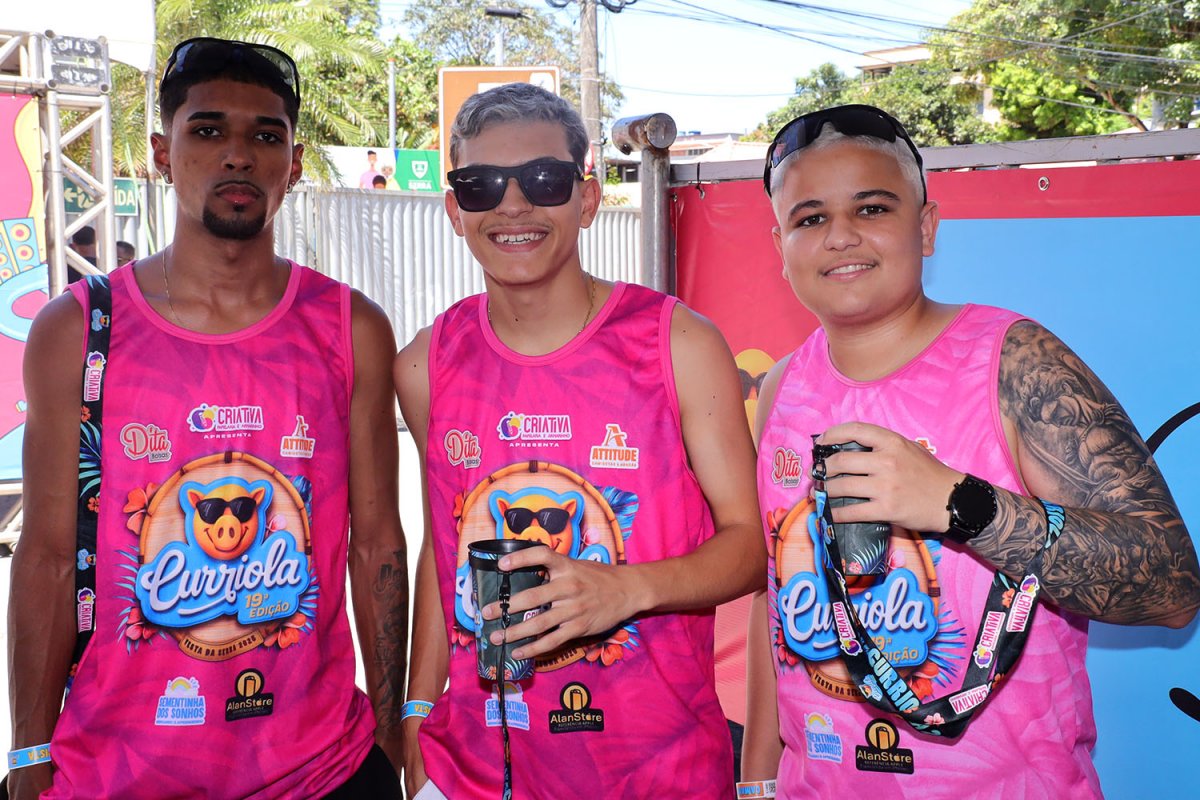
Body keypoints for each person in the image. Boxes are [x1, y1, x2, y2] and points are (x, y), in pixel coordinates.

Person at [741, 104, 1200, 798]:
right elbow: (772, 596)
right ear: (780, 246)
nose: (840, 236)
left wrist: (961, 506)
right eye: (810, 219)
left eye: (871, 208)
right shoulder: (782, 387)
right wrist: (756, 782)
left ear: (926, 227)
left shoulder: (1015, 361)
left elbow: (1172, 585)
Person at [9, 37, 407, 799]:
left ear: (294, 164)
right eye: (207, 130)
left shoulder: (349, 328)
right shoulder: (80, 329)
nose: (238, 155)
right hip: (117, 772)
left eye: (266, 136)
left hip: (321, 770)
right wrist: (28, 753)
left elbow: (378, 543)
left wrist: (390, 731)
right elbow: (49, 558)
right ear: (163, 153)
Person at [394, 82, 764, 799]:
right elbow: (444, 550)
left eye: (543, 179)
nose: (513, 205)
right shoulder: (424, 364)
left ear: (587, 199)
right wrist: (416, 705)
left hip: (656, 774)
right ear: (454, 211)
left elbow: (752, 547)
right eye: (481, 184)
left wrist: (625, 590)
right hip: (474, 771)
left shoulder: (678, 344)